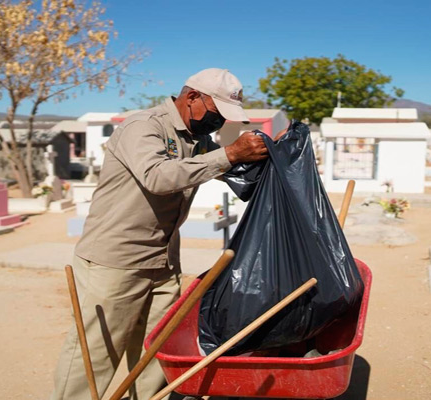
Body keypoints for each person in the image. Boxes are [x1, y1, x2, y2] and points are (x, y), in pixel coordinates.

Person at [51, 68, 270, 400]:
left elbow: (225, 169)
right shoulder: (144, 127)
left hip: (163, 263)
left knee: (156, 353)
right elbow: (158, 177)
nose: (218, 124)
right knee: (96, 353)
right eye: (216, 113)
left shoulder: (198, 142)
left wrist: (272, 155)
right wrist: (229, 154)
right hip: (115, 262)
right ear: (192, 97)